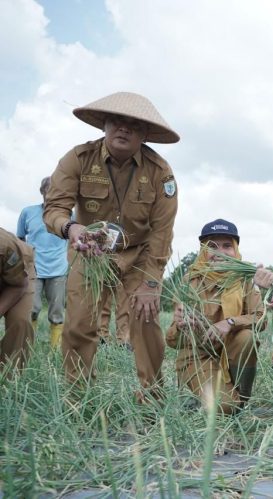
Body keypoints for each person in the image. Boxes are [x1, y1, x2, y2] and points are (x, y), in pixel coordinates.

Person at [43, 91, 179, 399]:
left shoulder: (160, 172)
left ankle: (153, 396)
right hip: (90, 252)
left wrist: (150, 282)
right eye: (117, 120)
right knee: (79, 322)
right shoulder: (78, 159)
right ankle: (78, 396)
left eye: (134, 124)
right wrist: (72, 227)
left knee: (145, 319)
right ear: (104, 124)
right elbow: (54, 209)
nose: (124, 128)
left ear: (145, 134)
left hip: (140, 255)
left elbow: (162, 232)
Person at [166, 219, 273, 414]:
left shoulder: (245, 279)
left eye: (227, 246)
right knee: (224, 408)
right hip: (198, 356)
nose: (220, 253)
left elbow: (261, 318)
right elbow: (173, 341)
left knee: (247, 337)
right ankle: (218, 397)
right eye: (212, 246)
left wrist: (230, 322)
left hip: (230, 349)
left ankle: (242, 399)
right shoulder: (189, 281)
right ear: (203, 250)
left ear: (235, 249)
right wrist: (184, 326)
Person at [16, 177, 68, 349]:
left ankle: (55, 349)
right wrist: (25, 260)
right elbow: (20, 239)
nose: (51, 193)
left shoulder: (68, 214)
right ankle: (28, 346)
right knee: (32, 309)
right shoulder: (28, 213)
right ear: (42, 191)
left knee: (57, 311)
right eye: (48, 189)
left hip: (59, 269)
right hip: (34, 269)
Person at [0, 228, 36, 371]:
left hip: (20, 273)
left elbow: (18, 285)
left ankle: (9, 378)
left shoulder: (4, 246)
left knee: (20, 322)